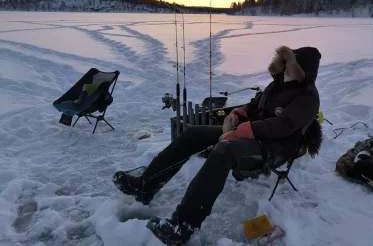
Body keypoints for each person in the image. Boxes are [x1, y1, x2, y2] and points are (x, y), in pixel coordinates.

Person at [112, 45, 322, 245]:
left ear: (303, 72)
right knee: (193, 134)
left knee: (224, 150)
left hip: (275, 148)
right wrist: (238, 113)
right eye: (286, 63)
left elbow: (283, 126)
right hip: (252, 133)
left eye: (292, 66)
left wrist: (243, 130)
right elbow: (255, 104)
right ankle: (145, 186)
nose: (286, 68)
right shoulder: (277, 83)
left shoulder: (308, 98)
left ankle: (184, 225)